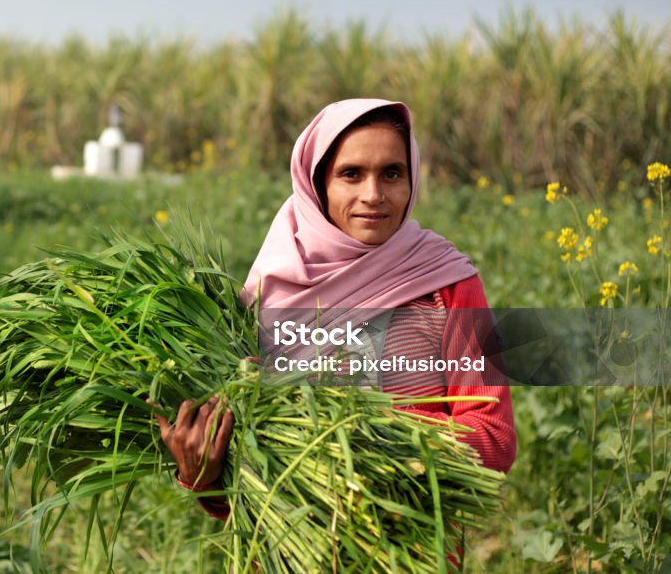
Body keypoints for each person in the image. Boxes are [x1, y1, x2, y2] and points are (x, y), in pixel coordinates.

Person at [156, 98, 517, 520]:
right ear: (317, 183)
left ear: (412, 179)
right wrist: (201, 473)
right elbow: (239, 489)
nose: (373, 195)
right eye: (351, 174)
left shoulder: (446, 283)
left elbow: (493, 437)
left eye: (392, 174)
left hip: (408, 550)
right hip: (285, 552)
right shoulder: (268, 294)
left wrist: (358, 440)